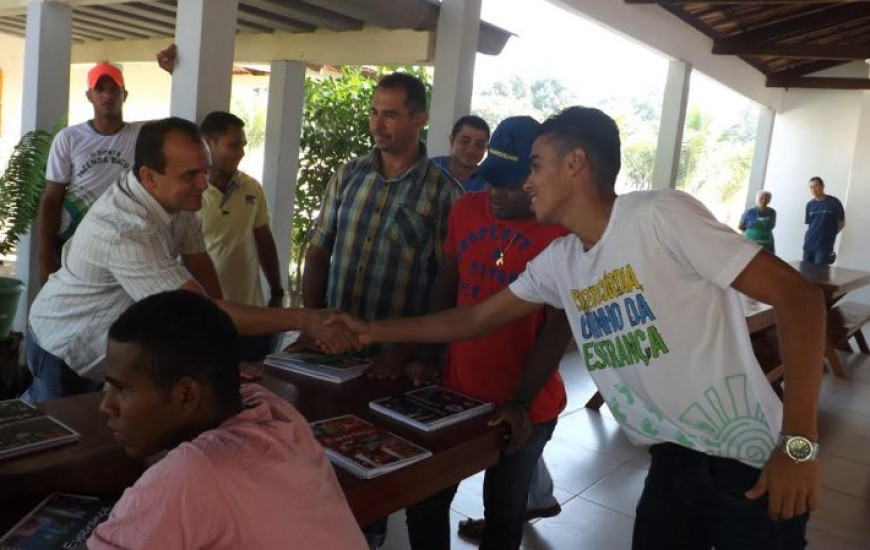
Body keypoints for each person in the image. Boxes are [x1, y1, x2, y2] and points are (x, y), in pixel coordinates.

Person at [331, 106, 826, 550]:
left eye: (537, 165)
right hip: (670, 459)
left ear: (574, 164)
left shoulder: (658, 217)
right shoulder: (562, 261)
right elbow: (476, 317)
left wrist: (799, 448)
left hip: (751, 460)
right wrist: (372, 331)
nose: (527, 181)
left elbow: (799, 297)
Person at [24, 117, 354, 403]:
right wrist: (306, 320)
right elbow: (200, 309)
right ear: (150, 177)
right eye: (191, 175)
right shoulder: (126, 231)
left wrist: (219, 352)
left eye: (205, 171)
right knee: (59, 452)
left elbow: (200, 266)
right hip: (63, 347)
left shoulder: (174, 201)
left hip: (104, 351)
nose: (204, 184)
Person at [302, 72, 461, 548]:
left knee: (379, 472)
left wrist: (409, 350)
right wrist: (311, 321)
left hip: (390, 364)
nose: (378, 123)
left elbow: (443, 284)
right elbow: (318, 249)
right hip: (330, 349)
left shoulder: (443, 194)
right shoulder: (349, 173)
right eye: (374, 111)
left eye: (390, 113)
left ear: (419, 118)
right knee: (326, 462)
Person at [402, 116, 570, 550]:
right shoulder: (466, 209)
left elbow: (557, 328)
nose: (495, 193)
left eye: (509, 185)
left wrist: (520, 401)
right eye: (491, 179)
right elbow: (446, 282)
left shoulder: (559, 232)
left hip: (528, 403)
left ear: (534, 177)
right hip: (458, 394)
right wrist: (427, 354)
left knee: (505, 513)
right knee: (425, 502)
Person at [88, 290, 367, 549]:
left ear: (186, 395)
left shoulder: (195, 473)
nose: (106, 406)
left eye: (120, 389)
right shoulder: (274, 410)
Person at [37, 46, 178, 284]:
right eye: (99, 89)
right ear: (89, 95)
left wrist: (175, 73)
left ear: (125, 95)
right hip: (76, 241)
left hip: (126, 242)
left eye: (114, 89)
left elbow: (182, 126)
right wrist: (44, 260)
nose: (107, 95)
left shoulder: (142, 134)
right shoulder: (70, 138)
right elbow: (52, 199)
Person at [199, 111, 283, 360]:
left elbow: (264, 240)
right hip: (206, 316)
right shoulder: (191, 193)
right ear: (207, 144)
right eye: (233, 145)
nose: (241, 152)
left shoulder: (252, 188)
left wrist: (277, 291)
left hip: (250, 315)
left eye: (243, 144)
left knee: (254, 390)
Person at [431, 115, 490, 191]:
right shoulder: (429, 169)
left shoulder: (489, 184)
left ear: (486, 148)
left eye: (479, 144)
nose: (471, 150)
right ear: (452, 141)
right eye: (465, 141)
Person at [803, 176, 845, 264]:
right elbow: (810, 225)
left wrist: (829, 235)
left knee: (819, 275)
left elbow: (841, 223)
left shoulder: (834, 202)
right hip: (809, 245)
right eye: (811, 187)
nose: (813, 189)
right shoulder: (809, 204)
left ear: (822, 186)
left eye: (816, 186)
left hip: (824, 246)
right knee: (805, 273)